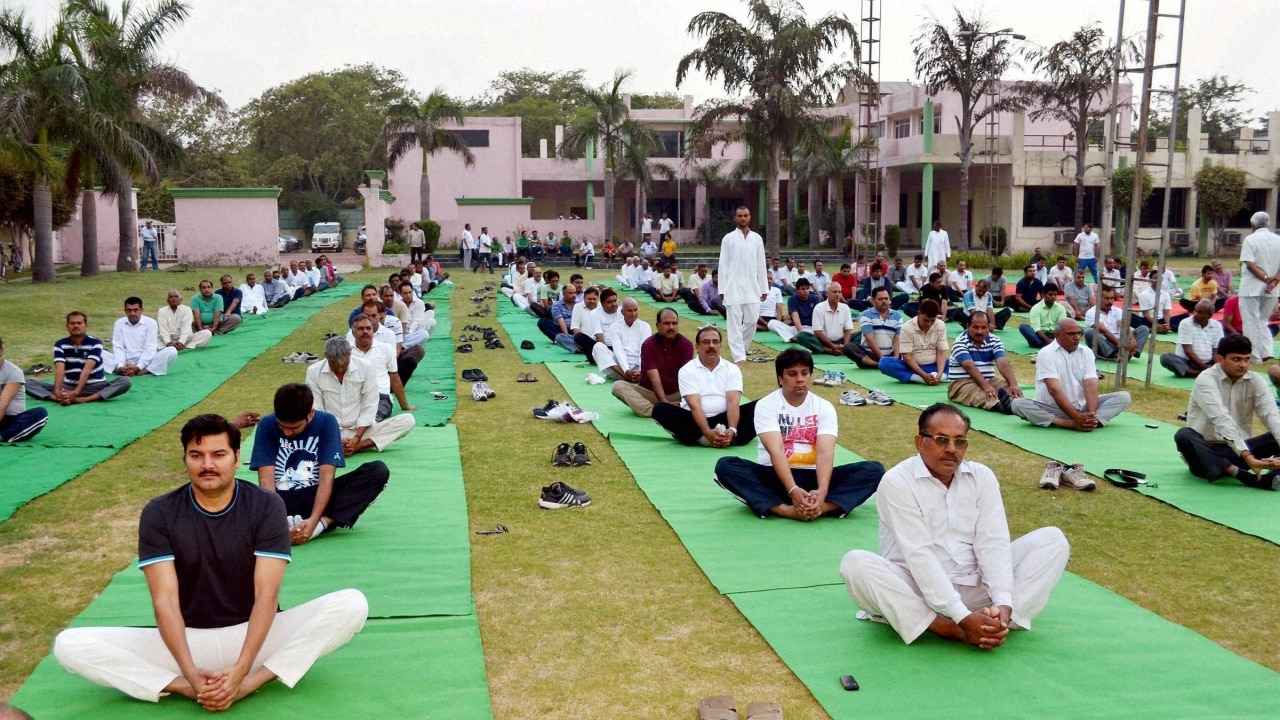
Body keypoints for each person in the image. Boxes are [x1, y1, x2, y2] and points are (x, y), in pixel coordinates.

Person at [52, 413, 368, 709]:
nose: (207, 465)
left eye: (218, 455)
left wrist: (244, 672)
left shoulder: (266, 506)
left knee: (352, 604)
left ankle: (255, 681)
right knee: (69, 644)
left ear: (236, 457)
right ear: (185, 458)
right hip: (186, 643)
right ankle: (180, 687)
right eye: (196, 455)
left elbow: (266, 597)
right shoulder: (159, 513)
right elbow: (165, 601)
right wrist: (189, 675)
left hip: (256, 638)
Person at [840, 403, 1070, 647]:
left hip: (975, 586)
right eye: (941, 440)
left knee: (1052, 540)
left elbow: (993, 543)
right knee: (856, 564)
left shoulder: (981, 477)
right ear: (920, 442)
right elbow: (920, 556)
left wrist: (1003, 602)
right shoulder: (898, 482)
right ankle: (947, 628)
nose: (951, 449)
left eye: (959, 441)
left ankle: (997, 622)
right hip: (916, 589)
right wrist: (960, 618)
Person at [712, 349, 884, 520]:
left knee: (875, 471)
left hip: (814, 477)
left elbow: (825, 452)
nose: (800, 379)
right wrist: (792, 489)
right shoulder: (766, 405)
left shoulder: (824, 407)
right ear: (780, 378)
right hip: (775, 477)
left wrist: (822, 492)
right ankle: (784, 510)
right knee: (725, 466)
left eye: (805, 373)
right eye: (792, 374)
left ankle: (822, 508)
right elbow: (776, 451)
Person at [1174, 334, 1280, 490]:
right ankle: (1248, 478)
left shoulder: (1256, 380)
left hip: (1239, 452)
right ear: (1220, 358)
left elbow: (1271, 416)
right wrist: (1248, 457)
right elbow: (1221, 419)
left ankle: (1274, 475)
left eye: (1246, 359)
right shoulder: (1206, 379)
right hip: (1205, 454)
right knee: (1184, 435)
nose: (1243, 365)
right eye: (1236, 359)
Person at [1011, 318, 1131, 431]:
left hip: (1083, 407)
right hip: (1054, 409)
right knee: (1018, 404)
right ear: (1057, 335)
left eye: (1079, 333)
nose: (1077, 337)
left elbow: (1091, 385)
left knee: (1123, 397)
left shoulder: (1086, 352)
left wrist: (1091, 413)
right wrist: (1075, 416)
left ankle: (1091, 422)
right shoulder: (1046, 353)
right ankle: (1067, 423)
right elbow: (1054, 389)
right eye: (1071, 334)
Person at [306, 337, 414, 456]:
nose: (340, 369)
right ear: (326, 356)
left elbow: (370, 405)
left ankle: (357, 447)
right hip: (328, 431)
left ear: (350, 353)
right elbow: (317, 409)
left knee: (407, 420)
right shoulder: (313, 371)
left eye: (344, 365)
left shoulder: (366, 367)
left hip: (361, 430)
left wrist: (357, 439)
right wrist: (332, 437)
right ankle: (336, 446)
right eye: (335, 366)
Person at [654, 325, 756, 446]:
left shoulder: (732, 369)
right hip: (694, 421)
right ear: (697, 347)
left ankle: (728, 436)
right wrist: (707, 432)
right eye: (706, 342)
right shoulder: (687, 370)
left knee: (763, 406)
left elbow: (733, 402)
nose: (711, 346)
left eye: (715, 342)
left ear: (720, 346)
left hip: (726, 418)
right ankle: (705, 438)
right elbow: (695, 405)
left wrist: (732, 429)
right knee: (660, 409)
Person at [26, 312, 132, 404]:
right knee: (26, 383)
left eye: (79, 323)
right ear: (67, 326)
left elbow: (87, 370)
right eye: (72, 323)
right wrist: (58, 392)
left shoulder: (95, 343)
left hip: (94, 387)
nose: (76, 326)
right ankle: (57, 399)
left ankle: (84, 400)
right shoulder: (60, 344)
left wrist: (76, 393)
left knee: (125, 382)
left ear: (86, 326)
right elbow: (60, 370)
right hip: (67, 387)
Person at [612, 308, 692, 417]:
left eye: (674, 323)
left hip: (677, 394)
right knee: (618, 386)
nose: (671, 327)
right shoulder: (649, 345)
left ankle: (673, 408)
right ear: (657, 325)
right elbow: (655, 379)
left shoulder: (686, 345)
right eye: (666, 324)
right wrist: (664, 403)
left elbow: (687, 377)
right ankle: (655, 411)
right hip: (650, 394)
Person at [719, 206, 770, 363]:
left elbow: (761, 265)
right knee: (734, 324)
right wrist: (722, 288)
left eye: (745, 215)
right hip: (732, 287)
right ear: (735, 218)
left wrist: (764, 287)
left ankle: (742, 348)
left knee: (752, 320)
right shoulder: (728, 239)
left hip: (752, 287)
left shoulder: (757, 239)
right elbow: (723, 264)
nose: (743, 218)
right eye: (740, 216)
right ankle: (739, 356)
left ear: (750, 217)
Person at [947, 313, 1023, 414]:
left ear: (989, 327)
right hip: (962, 383)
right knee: (978, 394)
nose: (980, 331)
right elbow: (969, 367)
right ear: (967, 326)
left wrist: (1013, 384)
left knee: (1008, 389)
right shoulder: (960, 342)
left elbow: (1002, 362)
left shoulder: (995, 340)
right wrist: (987, 387)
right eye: (975, 327)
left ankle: (1017, 402)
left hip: (989, 380)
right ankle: (1001, 406)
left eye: (983, 327)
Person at [349, 315, 416, 421]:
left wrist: (405, 406)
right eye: (361, 329)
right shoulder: (346, 352)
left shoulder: (386, 349)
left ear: (373, 331)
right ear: (353, 333)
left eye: (368, 328)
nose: (365, 331)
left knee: (372, 419)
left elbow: (394, 378)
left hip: (380, 396)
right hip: (354, 397)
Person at [1237, 211, 1280, 362]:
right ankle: (1266, 352)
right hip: (1272, 288)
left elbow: (1249, 264)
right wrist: (1274, 281)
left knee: (1251, 321)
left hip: (1252, 287)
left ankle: (1254, 356)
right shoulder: (1277, 240)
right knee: (1262, 321)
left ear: (1253, 225)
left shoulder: (1250, 239)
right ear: (1268, 223)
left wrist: (1267, 279)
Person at [103, 296, 177, 377]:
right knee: (97, 352)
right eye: (129, 310)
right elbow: (118, 347)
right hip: (125, 362)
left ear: (141, 310)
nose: (132, 313)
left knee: (171, 351)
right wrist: (120, 366)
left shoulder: (151, 323)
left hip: (147, 363)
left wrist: (139, 367)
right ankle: (120, 371)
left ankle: (144, 371)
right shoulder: (119, 323)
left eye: (135, 310)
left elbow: (150, 348)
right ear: (125, 311)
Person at [879, 299, 947, 384]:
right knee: (884, 363)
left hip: (934, 366)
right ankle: (921, 379)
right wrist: (923, 375)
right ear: (919, 314)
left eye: (932, 321)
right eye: (926, 320)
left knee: (958, 361)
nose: (929, 324)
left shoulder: (940, 325)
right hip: (912, 367)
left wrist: (940, 373)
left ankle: (937, 377)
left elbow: (941, 352)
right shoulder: (907, 328)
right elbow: (907, 357)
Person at [0, 337, 47, 442]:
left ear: (1, 351)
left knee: (40, 414)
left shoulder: (13, 371)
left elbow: (3, 403)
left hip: (11, 420)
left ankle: (3, 436)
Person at [1160, 301, 1224, 378]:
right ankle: (1196, 373)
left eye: (1200, 312)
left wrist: (1217, 366)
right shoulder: (1186, 323)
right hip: (1187, 362)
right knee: (1166, 357)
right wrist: (1204, 368)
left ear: (1209, 315)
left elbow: (1216, 351)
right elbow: (1188, 351)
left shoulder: (1217, 325)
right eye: (1195, 311)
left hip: (1209, 363)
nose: (1195, 314)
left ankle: (1192, 372)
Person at [845, 288, 903, 369]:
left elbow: (897, 339)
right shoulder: (866, 315)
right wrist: (882, 359)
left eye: (886, 299)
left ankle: (890, 363)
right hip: (871, 355)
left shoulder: (897, 316)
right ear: (873, 300)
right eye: (880, 299)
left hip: (890, 355)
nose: (884, 301)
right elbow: (869, 340)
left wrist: (896, 357)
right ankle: (877, 365)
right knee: (848, 347)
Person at [1084, 287, 1149, 360]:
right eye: (1107, 298)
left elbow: (1124, 326)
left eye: (1112, 298)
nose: (1110, 301)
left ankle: (1133, 351)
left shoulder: (1117, 310)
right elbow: (1104, 331)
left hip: (1120, 341)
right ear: (1098, 298)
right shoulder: (1091, 312)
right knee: (1089, 332)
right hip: (1104, 344)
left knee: (1144, 329)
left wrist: (1132, 341)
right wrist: (1120, 344)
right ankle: (1115, 355)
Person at [596, 298, 651, 382]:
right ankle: (626, 377)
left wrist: (640, 372)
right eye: (630, 311)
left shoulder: (645, 326)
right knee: (598, 347)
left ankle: (638, 377)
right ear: (622, 312)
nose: (633, 314)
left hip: (639, 368)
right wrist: (626, 370)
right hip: (619, 369)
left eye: (635, 310)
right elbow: (618, 351)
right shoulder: (615, 327)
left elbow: (644, 351)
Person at [794, 282, 854, 357]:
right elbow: (817, 332)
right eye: (834, 292)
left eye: (839, 292)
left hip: (841, 340)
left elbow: (848, 329)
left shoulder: (845, 308)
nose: (838, 294)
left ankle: (845, 349)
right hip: (822, 342)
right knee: (801, 336)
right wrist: (833, 347)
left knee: (863, 335)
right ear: (827, 294)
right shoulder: (819, 308)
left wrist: (845, 346)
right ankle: (828, 350)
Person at [577, 287, 621, 359]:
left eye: (615, 301)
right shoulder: (595, 313)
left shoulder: (622, 312)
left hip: (619, 347)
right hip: (603, 346)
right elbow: (599, 336)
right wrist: (604, 352)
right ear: (602, 304)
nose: (614, 304)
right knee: (579, 337)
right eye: (609, 302)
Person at [538, 282, 580, 353]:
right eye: (570, 293)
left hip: (576, 329)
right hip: (561, 329)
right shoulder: (557, 305)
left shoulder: (579, 305)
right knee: (542, 322)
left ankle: (567, 341)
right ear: (563, 294)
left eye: (575, 293)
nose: (573, 295)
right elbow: (561, 322)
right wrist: (566, 336)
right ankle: (564, 340)